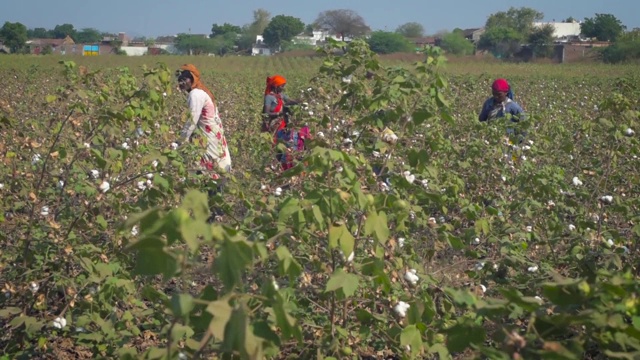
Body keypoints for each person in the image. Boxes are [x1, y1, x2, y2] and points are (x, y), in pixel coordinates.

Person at [176, 64, 231, 220]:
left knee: (210, 174)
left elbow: (191, 120)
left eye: (185, 79)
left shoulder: (196, 94)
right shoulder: (202, 92)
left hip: (209, 140)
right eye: (180, 80)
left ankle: (213, 215)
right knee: (213, 173)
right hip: (213, 137)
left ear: (193, 79)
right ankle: (215, 213)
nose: (182, 83)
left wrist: (181, 141)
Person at [262, 75, 309, 170]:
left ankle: (286, 163)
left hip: (283, 124)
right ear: (276, 86)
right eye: (282, 86)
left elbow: (291, 101)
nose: (283, 88)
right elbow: (266, 113)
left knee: (286, 143)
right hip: (274, 125)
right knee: (276, 145)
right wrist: (279, 113)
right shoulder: (269, 97)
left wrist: (304, 100)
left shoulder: (281, 96)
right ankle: (276, 165)